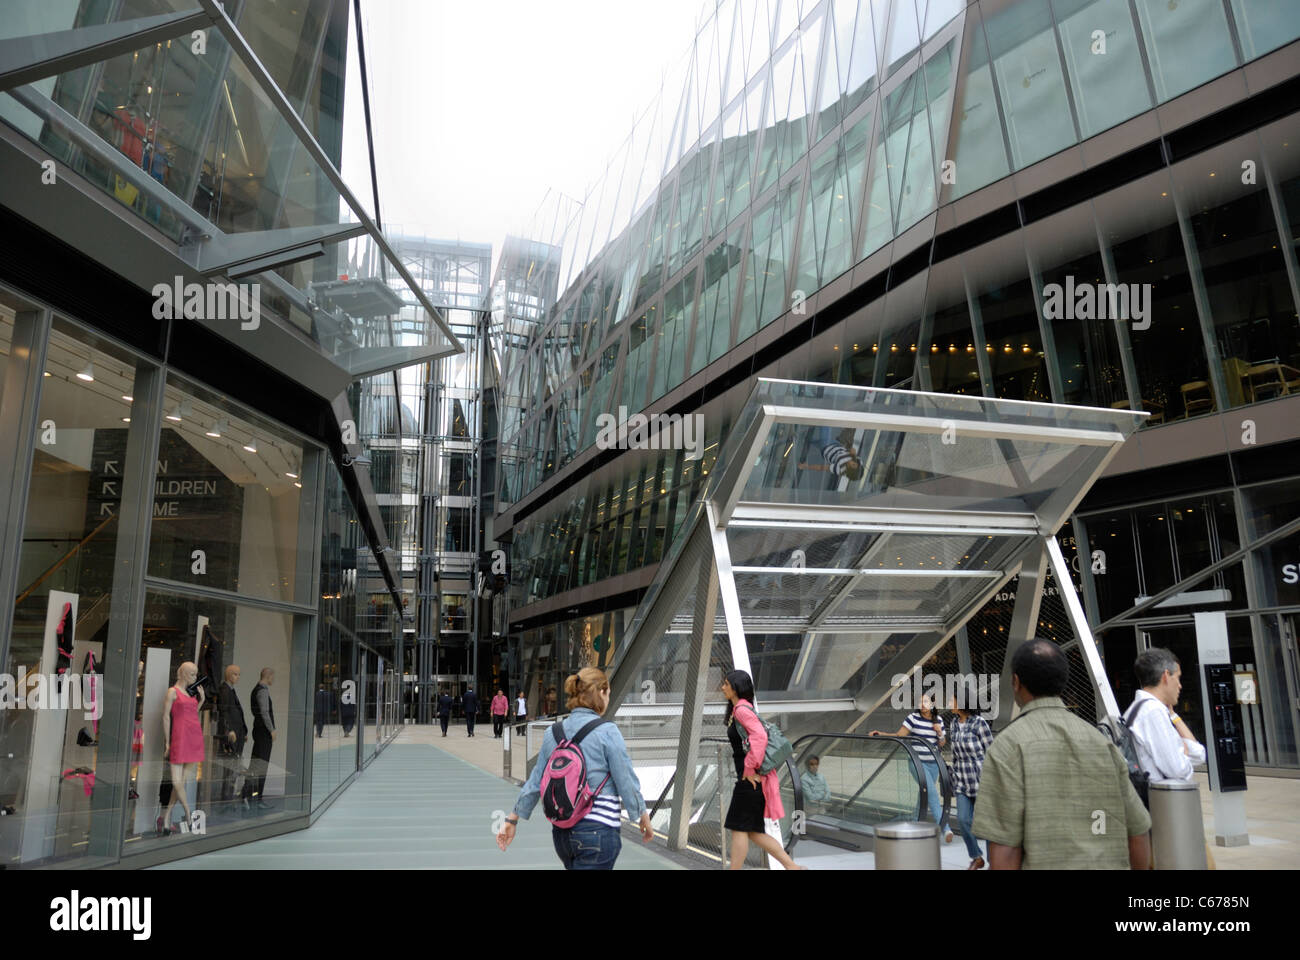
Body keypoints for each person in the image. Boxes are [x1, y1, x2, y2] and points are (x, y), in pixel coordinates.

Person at [973, 639, 1151, 869]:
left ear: (1016, 682)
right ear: (1062, 683)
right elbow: (1138, 831)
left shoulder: (1007, 746)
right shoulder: (1101, 742)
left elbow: (1005, 852)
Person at [497, 668, 653, 869]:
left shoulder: (553, 732)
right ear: (602, 693)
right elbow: (625, 780)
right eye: (608, 693)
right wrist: (641, 814)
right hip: (598, 830)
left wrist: (513, 818)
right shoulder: (607, 731)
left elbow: (537, 780)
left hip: (562, 834)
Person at [1128, 647, 1213, 869]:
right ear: (1166, 676)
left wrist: (1173, 716)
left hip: (1161, 812)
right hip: (1166, 814)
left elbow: (1198, 754)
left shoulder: (1144, 710)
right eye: (1178, 677)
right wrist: (1182, 754)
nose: (1180, 685)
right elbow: (1179, 770)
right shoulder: (1152, 713)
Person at [721, 670, 804, 870]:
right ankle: (792, 867)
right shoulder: (741, 709)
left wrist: (748, 770)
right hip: (753, 780)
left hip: (749, 780)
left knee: (738, 829)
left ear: (736, 687)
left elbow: (759, 737)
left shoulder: (741, 710)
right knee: (754, 833)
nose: (722, 687)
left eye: (725, 684)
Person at [870, 692, 948, 835]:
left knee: (924, 794)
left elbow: (942, 743)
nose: (922, 704)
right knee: (931, 793)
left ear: (931, 704)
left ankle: (916, 821)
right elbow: (900, 735)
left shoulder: (939, 721)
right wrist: (882, 734)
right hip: (917, 762)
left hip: (934, 764)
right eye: (919, 702)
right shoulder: (913, 718)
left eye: (925, 701)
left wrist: (940, 733)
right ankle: (944, 827)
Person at [949, 680, 994, 870]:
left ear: (962, 702)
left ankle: (995, 861)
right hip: (961, 781)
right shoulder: (952, 724)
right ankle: (976, 857)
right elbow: (954, 753)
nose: (950, 703)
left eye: (953, 700)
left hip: (981, 780)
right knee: (963, 820)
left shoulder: (979, 723)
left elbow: (991, 751)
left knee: (988, 825)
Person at [160, 661, 204, 835]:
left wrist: (202, 700)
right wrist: (167, 743)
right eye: (193, 674)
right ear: (184, 674)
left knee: (180, 782)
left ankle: (167, 817)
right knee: (177, 782)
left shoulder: (189, 693)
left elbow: (193, 712)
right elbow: (165, 717)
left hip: (194, 736)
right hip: (180, 737)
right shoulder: (173, 692)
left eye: (195, 674)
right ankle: (188, 812)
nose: (195, 677)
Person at [214, 664, 248, 813]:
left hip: (237, 734)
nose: (238, 677)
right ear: (228, 675)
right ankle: (226, 799)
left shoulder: (231, 690)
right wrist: (230, 730)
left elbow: (235, 713)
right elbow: (224, 712)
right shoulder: (224, 690)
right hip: (232, 735)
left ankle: (228, 797)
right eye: (235, 674)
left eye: (239, 674)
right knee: (230, 767)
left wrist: (243, 731)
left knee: (234, 767)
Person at [247, 668, 276, 809]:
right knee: (261, 765)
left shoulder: (256, 690)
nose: (273, 680)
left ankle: (249, 796)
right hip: (263, 733)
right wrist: (272, 730)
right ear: (268, 676)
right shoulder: (262, 690)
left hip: (259, 731)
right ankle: (257, 799)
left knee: (256, 764)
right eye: (272, 677)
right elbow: (264, 712)